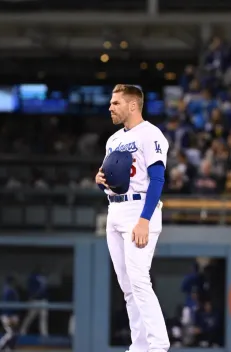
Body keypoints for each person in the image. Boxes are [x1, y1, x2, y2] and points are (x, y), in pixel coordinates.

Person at [95, 84, 170, 352]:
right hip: (114, 210)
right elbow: (111, 180)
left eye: (116, 103)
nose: (110, 107)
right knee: (127, 287)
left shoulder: (151, 134)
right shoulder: (113, 139)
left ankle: (159, 346)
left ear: (132, 105)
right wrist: (100, 181)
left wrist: (145, 219)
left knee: (139, 280)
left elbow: (158, 178)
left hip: (139, 210)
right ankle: (138, 347)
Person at [20, 267, 49, 336]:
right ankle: (22, 331)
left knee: (43, 317)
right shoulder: (32, 277)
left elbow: (45, 289)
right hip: (35, 300)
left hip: (43, 300)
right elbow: (30, 289)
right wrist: (31, 297)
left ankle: (44, 334)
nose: (42, 270)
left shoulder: (44, 278)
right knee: (30, 316)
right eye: (41, 269)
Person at [0, 276, 20, 352]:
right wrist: (9, 317)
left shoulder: (11, 290)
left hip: (11, 315)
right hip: (7, 316)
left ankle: (9, 348)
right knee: (10, 333)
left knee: (15, 333)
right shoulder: (8, 291)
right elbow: (6, 306)